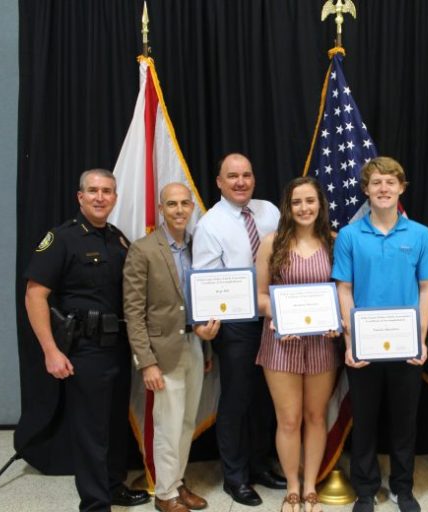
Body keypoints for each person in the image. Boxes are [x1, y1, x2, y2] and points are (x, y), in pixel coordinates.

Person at [24, 169, 150, 511]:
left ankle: (112, 486)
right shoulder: (62, 238)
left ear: (115, 198)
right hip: (85, 348)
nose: (100, 197)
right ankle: (95, 504)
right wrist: (51, 351)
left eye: (107, 191)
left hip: (118, 346)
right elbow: (35, 296)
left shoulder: (118, 239)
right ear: (80, 197)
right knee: (92, 431)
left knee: (113, 424)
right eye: (93, 191)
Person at [332, 156, 428, 512]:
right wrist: (351, 343)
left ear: (401, 188)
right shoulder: (349, 235)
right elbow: (344, 289)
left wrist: (420, 338)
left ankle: (402, 488)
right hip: (364, 346)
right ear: (366, 189)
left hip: (407, 345)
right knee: (364, 420)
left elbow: (426, 288)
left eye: (390, 182)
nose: (383, 189)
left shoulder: (420, 234)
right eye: (376, 183)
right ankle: (365, 490)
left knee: (405, 421)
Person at [192, 153, 286, 506]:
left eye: (246, 175)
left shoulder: (270, 213)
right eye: (232, 176)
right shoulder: (210, 224)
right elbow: (207, 283)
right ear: (219, 182)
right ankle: (235, 477)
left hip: (274, 320)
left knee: (265, 398)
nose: (241, 182)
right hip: (236, 327)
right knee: (236, 400)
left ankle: (260, 465)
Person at [254, 176, 342, 512]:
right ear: (287, 207)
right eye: (296, 202)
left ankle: (310, 487)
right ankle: (292, 486)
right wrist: (278, 315)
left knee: (316, 416)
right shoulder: (271, 243)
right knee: (288, 419)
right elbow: (259, 297)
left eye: (310, 201)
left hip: (323, 343)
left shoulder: (334, 242)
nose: (304, 208)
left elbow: (344, 293)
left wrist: (337, 321)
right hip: (281, 341)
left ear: (320, 204)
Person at [123, 183, 210, 512]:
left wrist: (209, 347)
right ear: (161, 209)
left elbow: (203, 301)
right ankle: (164, 494)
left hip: (195, 345)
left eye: (184, 204)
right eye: (171, 204)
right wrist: (146, 362)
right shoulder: (143, 250)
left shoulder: (197, 248)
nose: (178, 210)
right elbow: (133, 312)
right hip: (163, 353)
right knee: (167, 425)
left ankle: (177, 483)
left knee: (187, 422)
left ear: (191, 208)